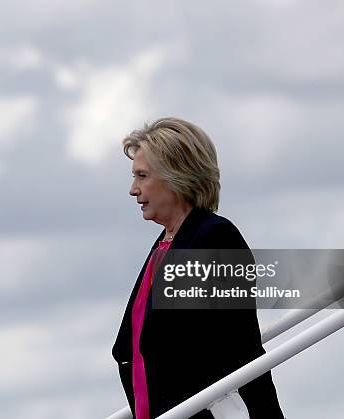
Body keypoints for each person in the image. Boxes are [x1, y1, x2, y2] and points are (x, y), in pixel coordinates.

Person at [112, 117, 285, 418]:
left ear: (175, 176)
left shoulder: (214, 238)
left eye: (142, 176)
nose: (132, 189)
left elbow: (240, 347)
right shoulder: (165, 245)